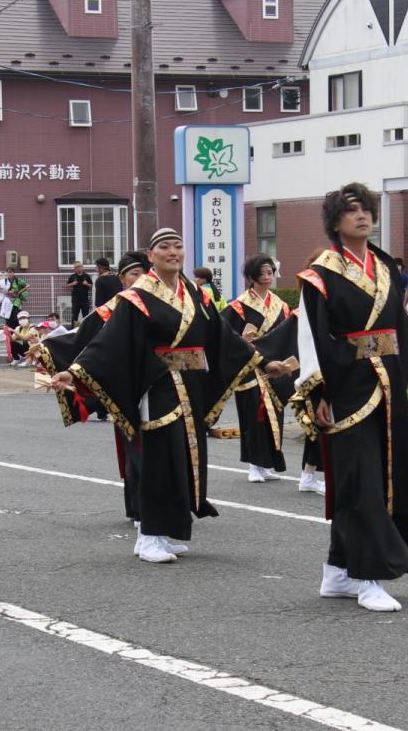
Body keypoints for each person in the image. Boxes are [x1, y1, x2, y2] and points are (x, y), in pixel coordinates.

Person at [50, 229, 261, 564]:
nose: (173, 252)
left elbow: (220, 335)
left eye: (178, 246)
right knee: (158, 458)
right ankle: (148, 534)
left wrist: (260, 360)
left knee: (182, 457)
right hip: (157, 383)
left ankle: (163, 531)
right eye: (164, 247)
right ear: (151, 255)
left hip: (190, 383)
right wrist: (74, 371)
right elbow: (110, 341)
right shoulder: (138, 297)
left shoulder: (192, 292)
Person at [290, 183, 408, 613]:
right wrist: (316, 389)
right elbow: (312, 336)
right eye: (352, 211)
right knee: (361, 481)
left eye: (366, 210)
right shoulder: (320, 274)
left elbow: (399, 325)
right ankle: (367, 574)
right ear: (336, 222)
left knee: (382, 476)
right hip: (348, 387)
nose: (362, 217)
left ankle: (337, 572)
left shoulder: (385, 267)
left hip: (389, 385)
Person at [39, 251, 150, 521]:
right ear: (122, 278)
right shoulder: (114, 307)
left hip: (160, 382)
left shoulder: (161, 302)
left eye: (145, 273)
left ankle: (166, 509)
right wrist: (46, 349)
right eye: (134, 273)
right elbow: (83, 339)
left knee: (164, 448)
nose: (141, 279)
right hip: (124, 384)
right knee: (136, 446)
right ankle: (139, 509)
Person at [220, 254, 297, 485]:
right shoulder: (238, 306)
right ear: (251, 277)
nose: (267, 277)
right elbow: (227, 336)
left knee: (276, 417)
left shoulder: (280, 305)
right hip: (250, 368)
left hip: (275, 368)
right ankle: (254, 464)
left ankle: (267, 464)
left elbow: (286, 335)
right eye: (262, 273)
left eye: (270, 272)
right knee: (254, 417)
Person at [64, 260, 93, 325]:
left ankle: (86, 331)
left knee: (86, 317)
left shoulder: (87, 276)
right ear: (74, 269)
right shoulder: (72, 276)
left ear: (82, 267)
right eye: (76, 267)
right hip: (75, 300)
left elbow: (91, 286)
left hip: (85, 300)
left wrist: (86, 284)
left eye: (79, 266)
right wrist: (72, 284)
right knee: (74, 317)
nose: (78, 268)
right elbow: (66, 286)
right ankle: (73, 331)